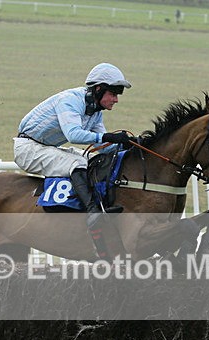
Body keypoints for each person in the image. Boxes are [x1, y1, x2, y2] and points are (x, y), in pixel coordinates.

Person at [15, 63, 136, 226]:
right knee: (77, 162)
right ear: (99, 89)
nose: (116, 100)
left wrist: (128, 145)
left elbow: (104, 146)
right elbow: (73, 134)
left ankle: (102, 204)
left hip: (46, 148)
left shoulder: (95, 112)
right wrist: (110, 137)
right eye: (113, 93)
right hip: (27, 149)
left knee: (94, 159)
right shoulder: (71, 100)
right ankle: (93, 212)